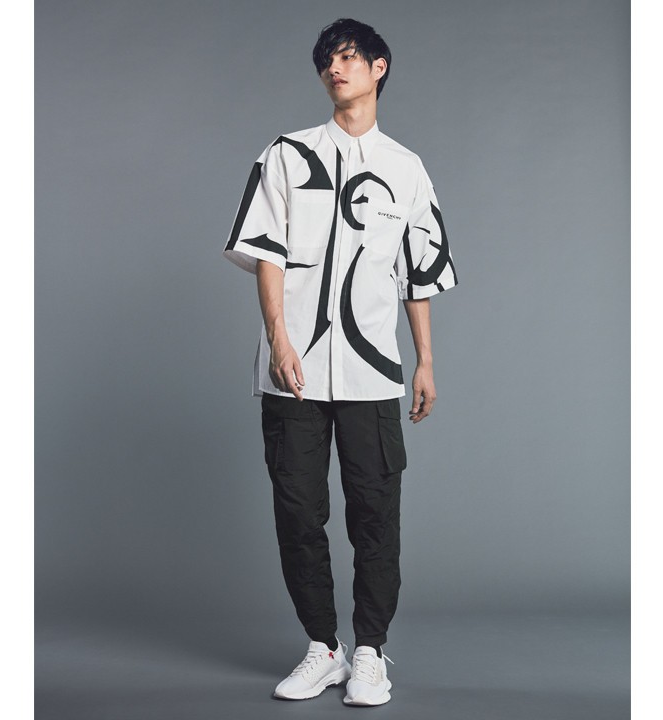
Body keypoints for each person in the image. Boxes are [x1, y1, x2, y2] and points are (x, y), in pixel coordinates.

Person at [223, 17, 459, 706]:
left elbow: (417, 273)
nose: (335, 67)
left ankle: (370, 653)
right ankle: (323, 648)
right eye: (327, 58)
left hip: (372, 373)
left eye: (349, 56)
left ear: (379, 67)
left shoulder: (407, 169)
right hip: (292, 374)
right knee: (298, 512)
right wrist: (279, 339)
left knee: (375, 515)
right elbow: (265, 252)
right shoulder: (286, 154)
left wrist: (425, 361)